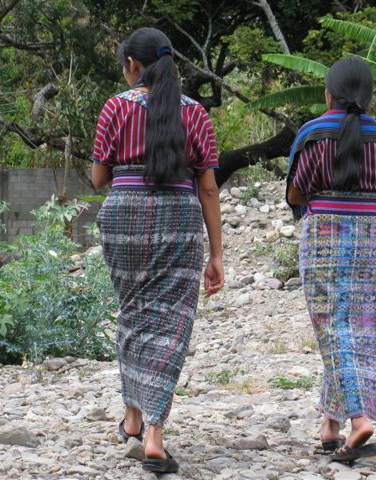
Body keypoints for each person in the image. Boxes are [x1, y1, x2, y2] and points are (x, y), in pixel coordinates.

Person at [91, 27, 224, 474]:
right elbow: (207, 189)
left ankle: (133, 417)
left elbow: (97, 179)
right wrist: (217, 253)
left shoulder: (115, 107)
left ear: (132, 64)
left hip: (123, 214)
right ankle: (151, 431)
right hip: (180, 220)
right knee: (171, 324)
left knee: (132, 312)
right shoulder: (196, 114)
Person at [285, 57, 376, 461]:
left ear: (329, 93)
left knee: (332, 328)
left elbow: (295, 195)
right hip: (371, 237)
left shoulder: (313, 134)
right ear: (368, 95)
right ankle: (330, 425)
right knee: (364, 329)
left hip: (323, 235)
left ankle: (359, 419)